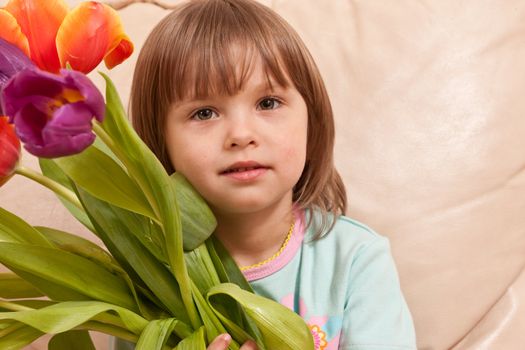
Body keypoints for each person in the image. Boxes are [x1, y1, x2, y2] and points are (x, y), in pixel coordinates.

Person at [116, 0, 417, 349]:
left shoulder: (356, 261)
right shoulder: (149, 277)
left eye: (268, 103)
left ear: (313, 123)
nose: (241, 134)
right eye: (204, 113)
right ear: (158, 143)